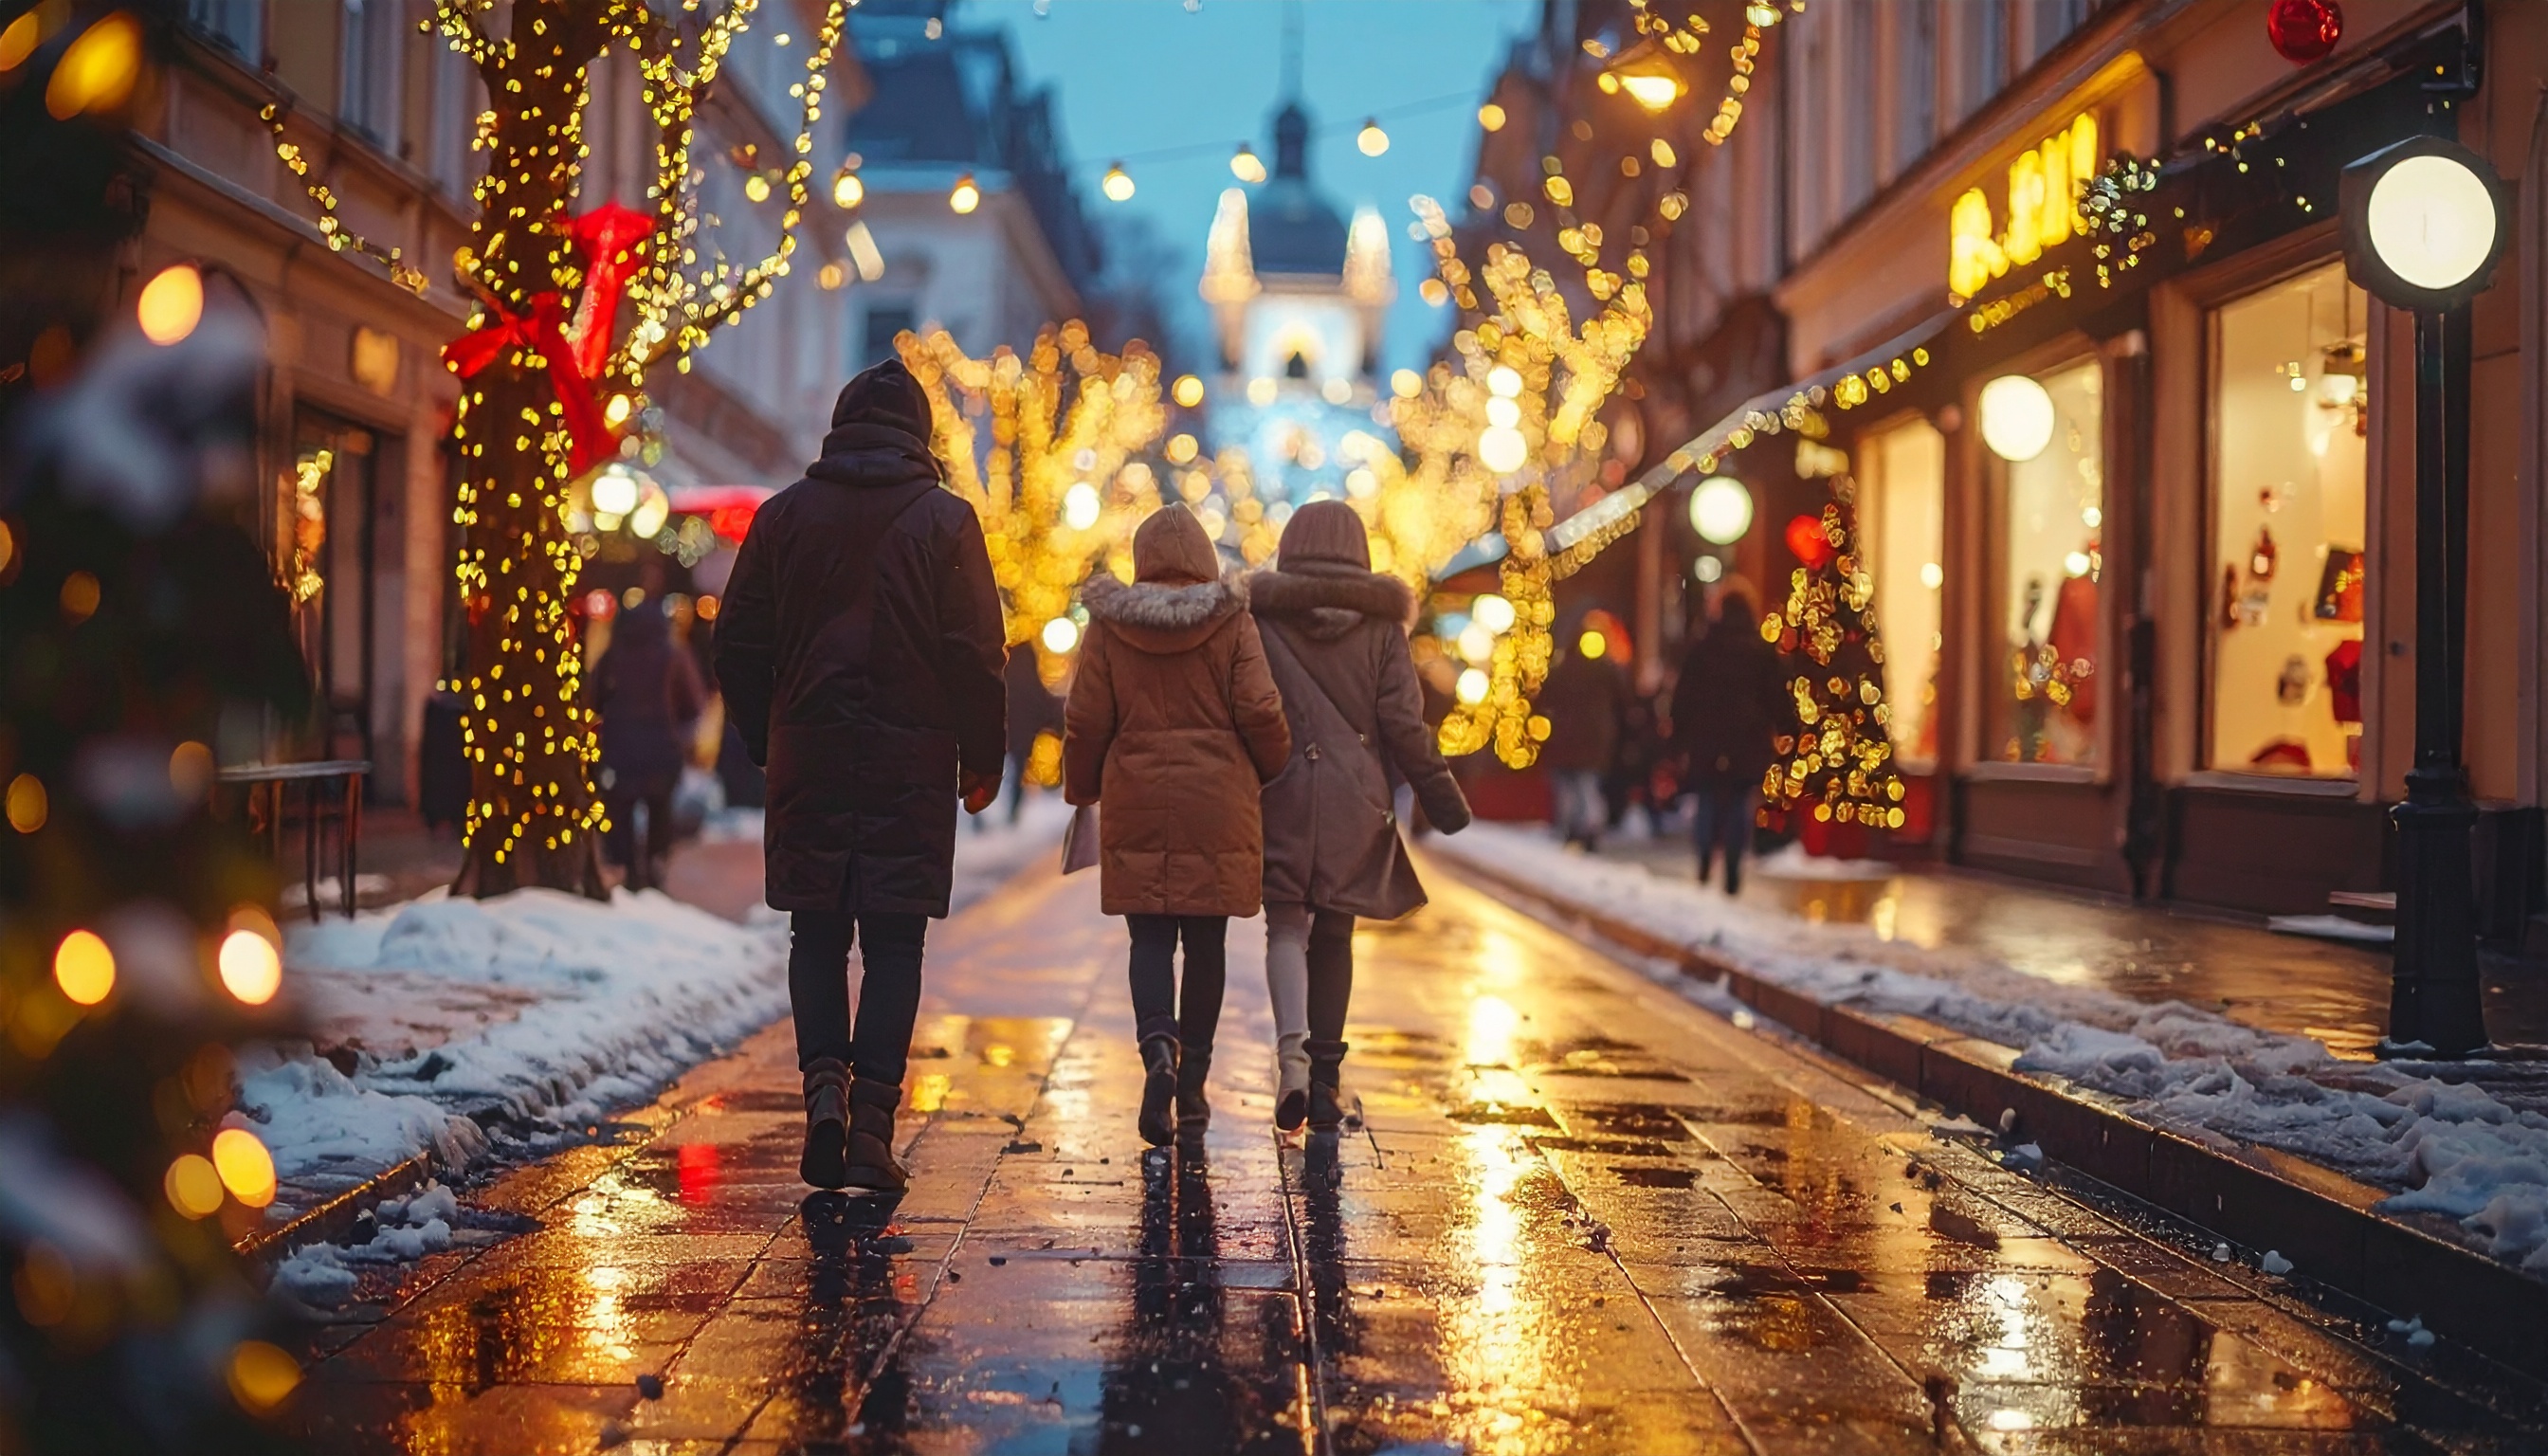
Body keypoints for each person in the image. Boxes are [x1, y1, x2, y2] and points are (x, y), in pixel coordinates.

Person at [714, 358, 1008, 1194]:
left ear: (840, 426)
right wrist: (981, 758)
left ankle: (823, 1092)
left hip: (808, 748)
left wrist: (763, 731)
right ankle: (873, 1125)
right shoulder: (947, 522)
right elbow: (976, 654)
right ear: (919, 434)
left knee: (815, 934)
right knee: (893, 941)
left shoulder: (782, 518)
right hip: (908, 762)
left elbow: (736, 640)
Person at [1064, 504, 1290, 1149]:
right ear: (1203, 559)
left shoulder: (1110, 627)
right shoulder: (1233, 621)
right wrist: (1267, 767)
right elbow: (1260, 708)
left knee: (1150, 942)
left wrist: (1083, 786)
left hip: (1136, 794)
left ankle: (1157, 1047)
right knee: (1207, 946)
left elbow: (1085, 719)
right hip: (1217, 799)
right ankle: (1192, 1083)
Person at [1248, 500, 1471, 1134]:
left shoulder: (1261, 623)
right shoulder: (1382, 631)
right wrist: (1442, 798)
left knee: (1285, 926)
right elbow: (1404, 724)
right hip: (1355, 801)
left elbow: (1249, 710)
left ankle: (1290, 1058)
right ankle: (1324, 1081)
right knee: (1336, 934)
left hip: (1282, 795)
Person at [1670, 580, 1785, 894]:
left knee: (1707, 799)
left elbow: (1684, 697)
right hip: (1748, 740)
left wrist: (1678, 737)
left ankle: (1706, 858)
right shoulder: (1760, 650)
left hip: (1708, 739)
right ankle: (1733, 865)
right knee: (1738, 802)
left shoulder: (1704, 647)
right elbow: (1775, 696)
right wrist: (1785, 729)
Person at [593, 598, 705, 890]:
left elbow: (593, 699)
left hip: (621, 751)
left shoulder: (613, 655)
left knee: (621, 811)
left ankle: (628, 870)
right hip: (662, 750)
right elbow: (693, 705)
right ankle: (655, 867)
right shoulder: (674, 655)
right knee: (660, 811)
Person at [1538, 618, 1628, 850]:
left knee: (1569, 788)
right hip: (1594, 741)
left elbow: (1544, 699)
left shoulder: (1562, 669)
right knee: (1587, 786)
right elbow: (1623, 702)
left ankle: (1571, 829)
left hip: (1564, 739)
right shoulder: (1607, 670)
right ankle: (1590, 829)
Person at [1002, 640, 1062, 824]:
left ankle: (980, 816)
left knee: (992, 773)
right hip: (1022, 740)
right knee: (1016, 774)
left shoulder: (1004, 679)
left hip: (1000, 736)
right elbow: (1046, 708)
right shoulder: (1031, 682)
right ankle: (1012, 813)